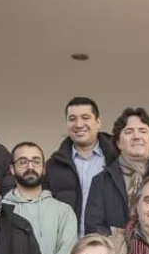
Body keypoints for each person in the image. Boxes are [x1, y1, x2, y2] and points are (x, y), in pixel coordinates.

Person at [83, 107, 149, 235]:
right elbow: (93, 227)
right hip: (115, 253)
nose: (136, 136)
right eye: (129, 131)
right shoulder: (101, 181)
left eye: (142, 131)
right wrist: (125, 239)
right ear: (118, 142)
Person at [4, 141, 79, 254]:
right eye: (23, 162)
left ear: (44, 168)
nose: (30, 166)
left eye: (36, 161)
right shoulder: (0, 211)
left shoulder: (63, 212)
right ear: (12, 169)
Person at [44, 97, 116, 235]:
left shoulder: (117, 160)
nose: (78, 124)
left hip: (108, 245)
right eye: (72, 119)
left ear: (98, 122)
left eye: (85, 117)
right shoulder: (53, 166)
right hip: (67, 246)